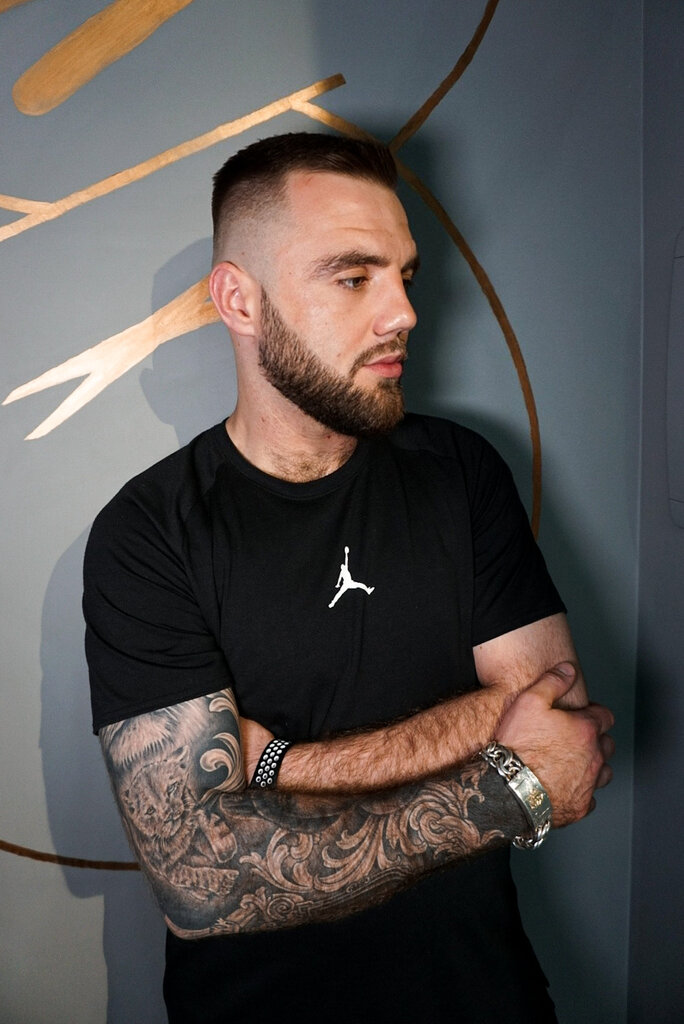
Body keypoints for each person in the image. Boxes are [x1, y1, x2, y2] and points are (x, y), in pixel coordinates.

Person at [84, 133, 614, 1023]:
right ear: (239, 300)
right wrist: (503, 785)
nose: (403, 312)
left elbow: (557, 720)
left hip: (485, 998)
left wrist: (277, 764)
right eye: (354, 277)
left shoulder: (459, 470)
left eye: (404, 276)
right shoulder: (149, 534)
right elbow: (198, 880)